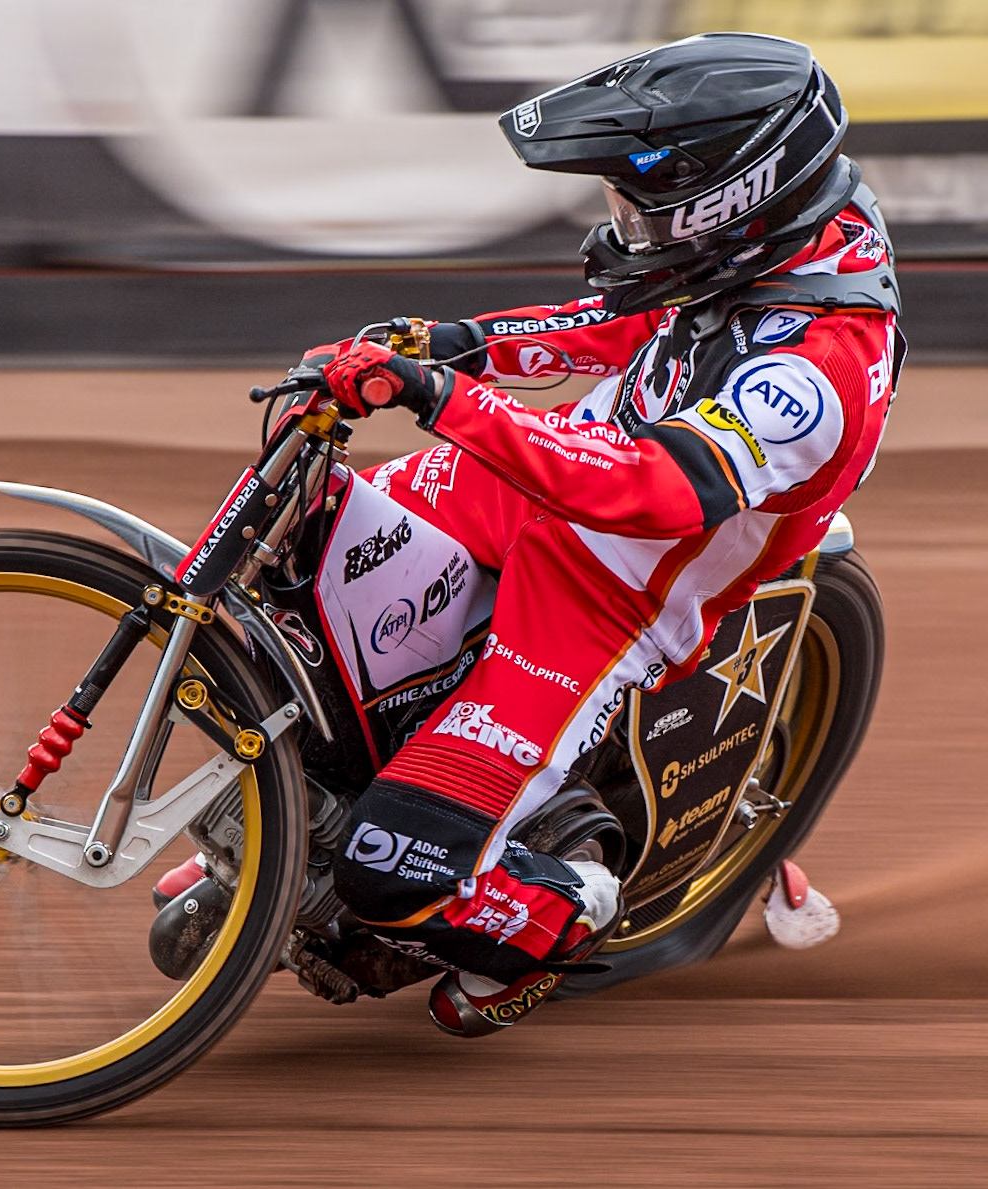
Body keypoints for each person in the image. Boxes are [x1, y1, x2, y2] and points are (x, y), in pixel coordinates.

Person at [261, 31, 902, 1037]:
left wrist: (448, 397)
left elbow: (646, 492)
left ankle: (564, 904)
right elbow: (627, 326)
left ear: (727, 207)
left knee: (389, 872)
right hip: (553, 467)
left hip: (613, 586)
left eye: (637, 206)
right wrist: (456, 345)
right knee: (302, 553)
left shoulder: (813, 376)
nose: (619, 224)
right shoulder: (772, 239)